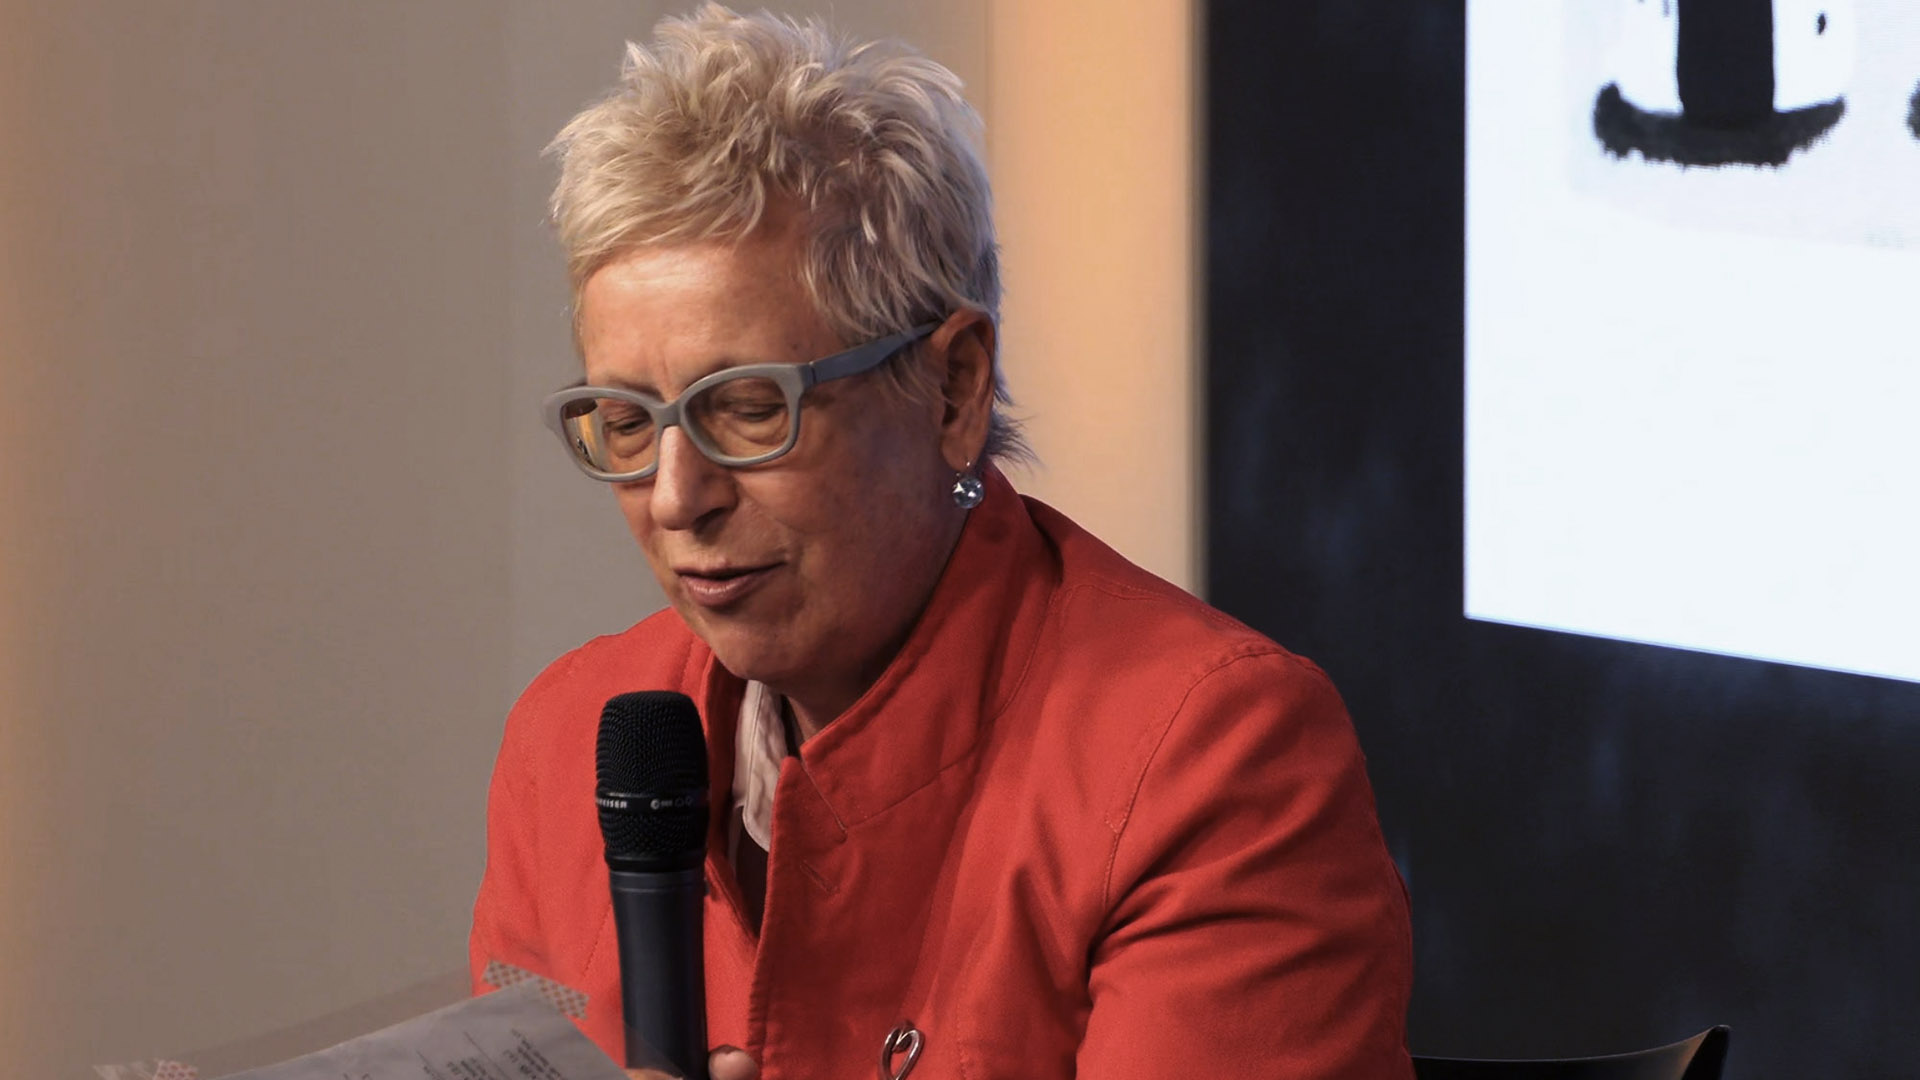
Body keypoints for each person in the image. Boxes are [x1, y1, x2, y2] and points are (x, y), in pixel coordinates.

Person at [469, 5, 1414, 1078]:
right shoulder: (567, 742)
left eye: (748, 407)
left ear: (953, 387)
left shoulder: (1209, 763)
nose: (678, 499)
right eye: (629, 423)